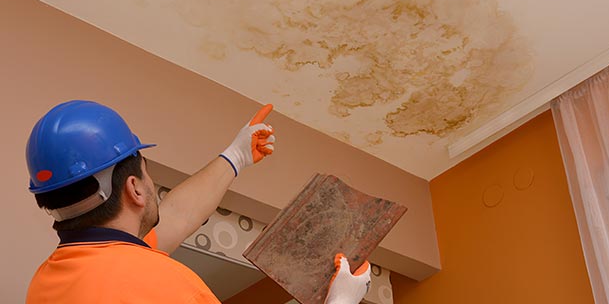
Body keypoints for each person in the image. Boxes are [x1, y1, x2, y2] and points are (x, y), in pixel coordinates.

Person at [24, 100, 371, 303]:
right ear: (135, 188)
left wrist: (234, 157)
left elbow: (175, 215)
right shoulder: (167, 284)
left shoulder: (49, 283)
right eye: (147, 172)